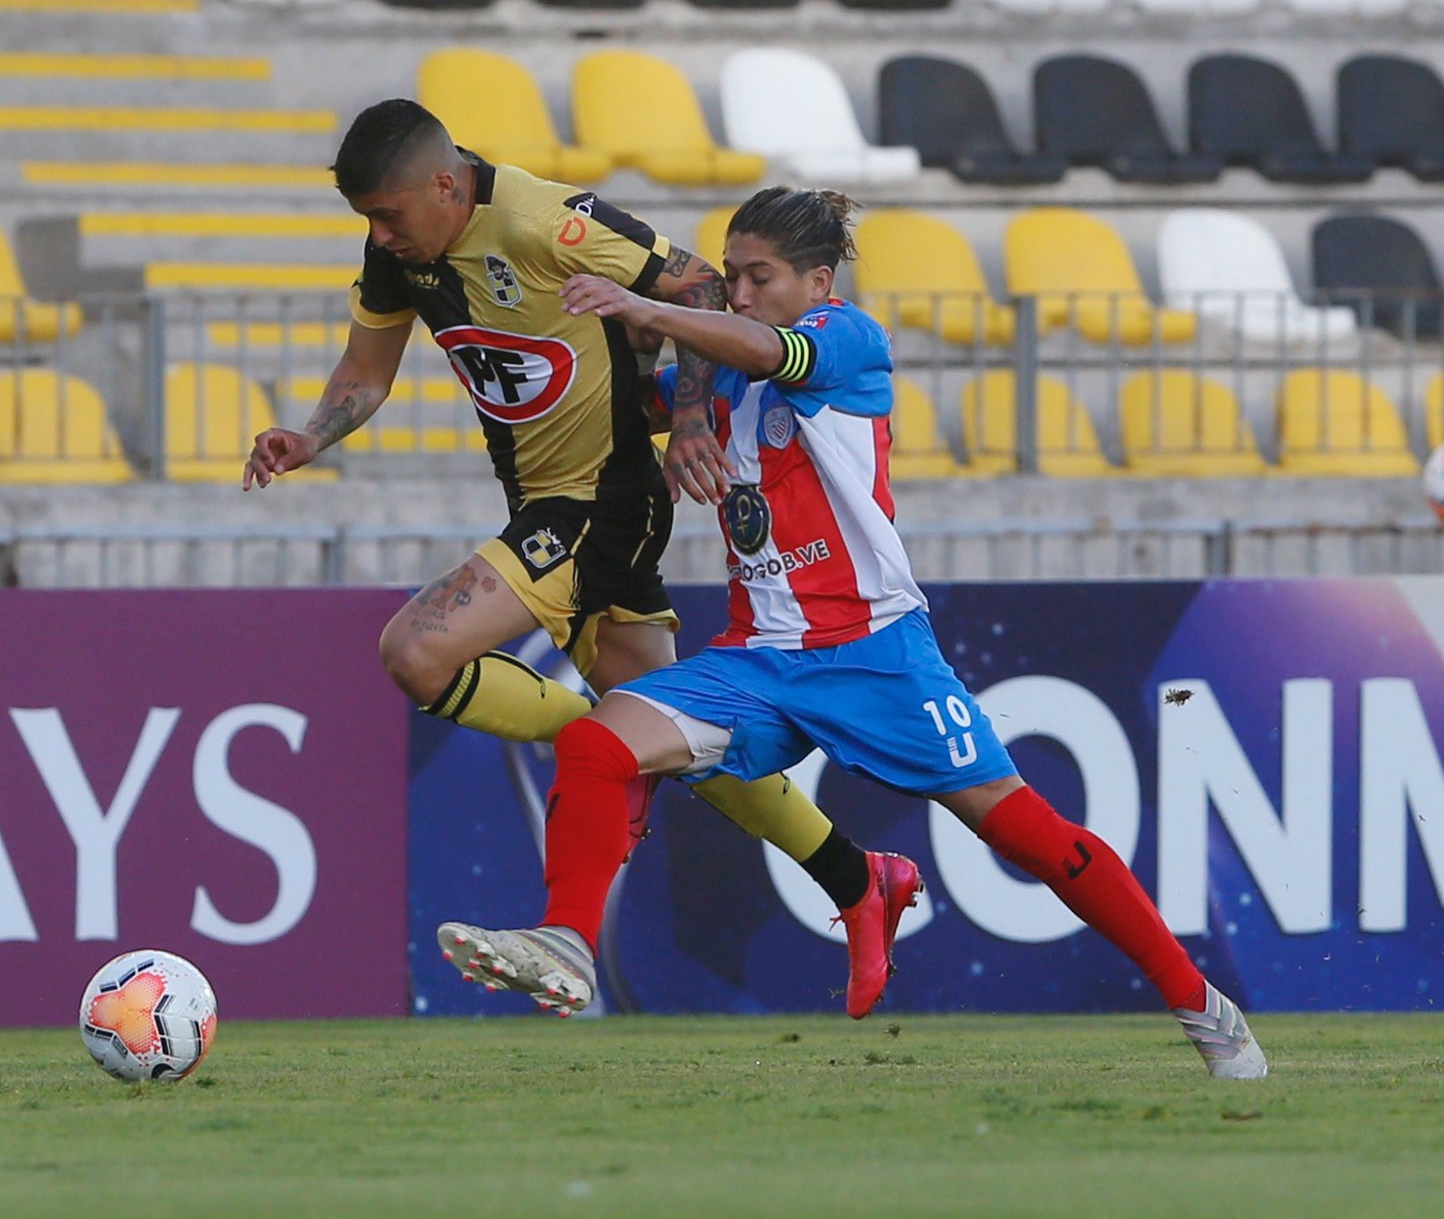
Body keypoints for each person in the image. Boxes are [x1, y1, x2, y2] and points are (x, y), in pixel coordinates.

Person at [436, 187, 1268, 1080]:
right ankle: (567, 943)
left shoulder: (848, 339)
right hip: (758, 658)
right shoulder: (715, 380)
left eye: (761, 277)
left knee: (1028, 834)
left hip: (874, 652)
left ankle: (1200, 1003)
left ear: (817, 281)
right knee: (600, 744)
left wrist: (649, 306)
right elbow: (617, 397)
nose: (741, 293)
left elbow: (761, 345)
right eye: (731, 277)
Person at [243, 102, 918, 1017]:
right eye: (367, 218)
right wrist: (310, 436)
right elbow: (367, 373)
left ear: (446, 184)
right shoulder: (400, 252)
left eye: (390, 214)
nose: (379, 233)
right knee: (689, 748)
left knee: (416, 652)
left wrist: (686, 424)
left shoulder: (539, 221)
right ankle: (857, 878)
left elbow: (698, 289)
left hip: (599, 500)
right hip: (543, 502)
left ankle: (605, 754)